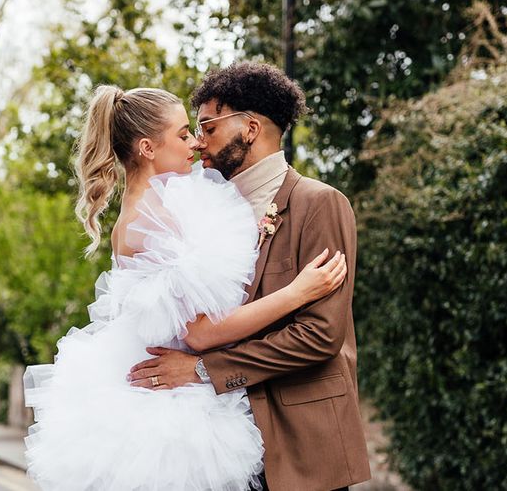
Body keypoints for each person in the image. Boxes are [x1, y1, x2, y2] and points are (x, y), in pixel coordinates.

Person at [23, 85, 347, 491]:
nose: (194, 142)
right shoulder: (152, 220)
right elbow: (202, 331)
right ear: (147, 147)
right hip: (176, 414)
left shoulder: (160, 206)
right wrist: (297, 293)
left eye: (198, 130)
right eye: (183, 134)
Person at [128, 63, 372, 491]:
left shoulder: (321, 203)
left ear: (251, 128)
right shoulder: (200, 212)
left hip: (304, 445)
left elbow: (319, 336)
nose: (199, 142)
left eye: (207, 127)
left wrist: (204, 370)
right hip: (223, 447)